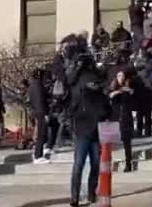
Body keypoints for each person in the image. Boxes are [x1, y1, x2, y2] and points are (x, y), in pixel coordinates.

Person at [68, 54, 111, 207]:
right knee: (79, 164)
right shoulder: (81, 96)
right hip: (83, 133)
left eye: (95, 82)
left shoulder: (101, 96)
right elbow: (72, 112)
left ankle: (91, 192)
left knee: (95, 165)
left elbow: (109, 112)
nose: (94, 84)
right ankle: (75, 197)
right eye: (91, 82)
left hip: (97, 133)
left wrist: (104, 117)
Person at [109, 71, 135, 172]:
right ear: (116, 77)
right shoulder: (113, 88)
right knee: (112, 143)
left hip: (126, 118)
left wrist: (128, 90)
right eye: (119, 76)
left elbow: (133, 96)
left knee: (127, 143)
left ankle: (128, 164)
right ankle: (110, 163)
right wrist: (116, 92)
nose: (121, 77)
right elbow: (109, 96)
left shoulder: (127, 88)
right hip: (115, 118)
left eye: (123, 76)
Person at [29, 68, 54, 164]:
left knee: (41, 133)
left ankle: (38, 154)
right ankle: (38, 156)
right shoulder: (38, 85)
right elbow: (40, 101)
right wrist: (45, 114)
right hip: (41, 112)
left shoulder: (32, 84)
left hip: (37, 111)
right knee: (41, 134)